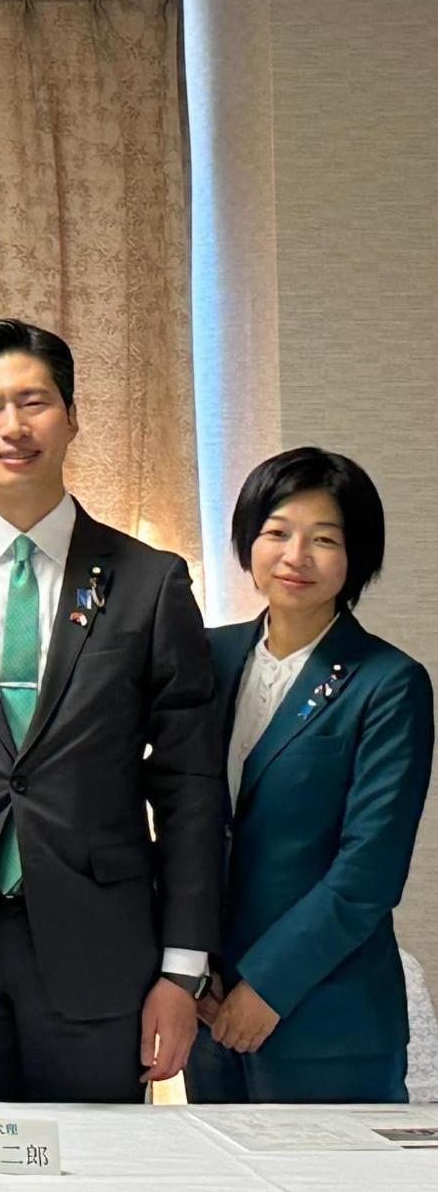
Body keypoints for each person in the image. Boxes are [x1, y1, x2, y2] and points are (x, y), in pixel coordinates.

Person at [0, 319, 221, 1101]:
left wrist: (182, 970)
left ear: (71, 417)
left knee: (97, 1169)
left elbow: (191, 787)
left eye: (34, 403)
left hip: (101, 951)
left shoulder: (150, 580)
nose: (14, 426)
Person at [187, 447, 432, 1103]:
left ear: (356, 556)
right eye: (277, 532)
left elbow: (368, 872)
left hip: (327, 1020)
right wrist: (190, 967)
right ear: (248, 541)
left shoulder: (389, 682)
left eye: (324, 539)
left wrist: (267, 986)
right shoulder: (207, 657)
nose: (296, 556)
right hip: (207, 1012)